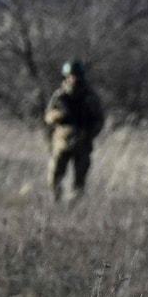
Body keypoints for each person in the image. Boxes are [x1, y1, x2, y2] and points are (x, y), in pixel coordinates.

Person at [44, 60, 105, 202]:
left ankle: (75, 207)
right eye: (71, 75)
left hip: (83, 143)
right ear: (66, 77)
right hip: (62, 142)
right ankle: (56, 202)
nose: (74, 79)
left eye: (77, 75)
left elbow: (99, 120)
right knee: (55, 176)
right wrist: (60, 116)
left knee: (80, 180)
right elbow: (48, 116)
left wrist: (89, 134)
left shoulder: (90, 97)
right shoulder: (60, 96)